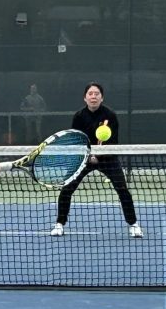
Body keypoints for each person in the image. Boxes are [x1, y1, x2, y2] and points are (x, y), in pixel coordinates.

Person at [50, 82, 142, 238]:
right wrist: (88, 156)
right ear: (85, 98)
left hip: (108, 159)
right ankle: (59, 224)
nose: (94, 96)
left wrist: (98, 156)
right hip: (84, 158)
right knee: (67, 189)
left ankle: (133, 224)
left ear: (102, 97)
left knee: (122, 189)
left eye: (97, 94)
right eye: (90, 94)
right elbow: (76, 140)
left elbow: (113, 142)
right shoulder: (79, 116)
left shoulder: (110, 116)